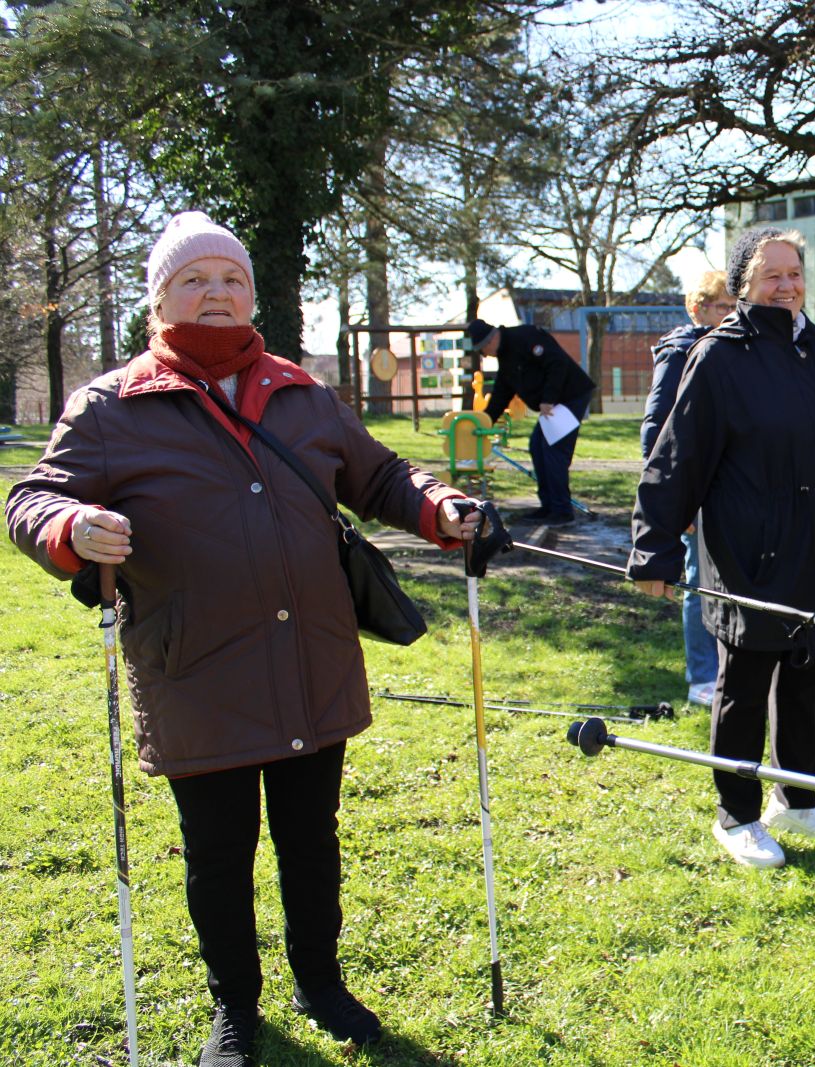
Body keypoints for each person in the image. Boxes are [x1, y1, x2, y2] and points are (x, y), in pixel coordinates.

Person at [5, 213, 483, 1067]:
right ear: (161, 298)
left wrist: (438, 506)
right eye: (195, 280)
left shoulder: (302, 391)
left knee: (312, 837)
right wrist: (73, 525)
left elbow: (379, 475)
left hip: (312, 658)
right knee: (218, 855)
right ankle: (236, 1007)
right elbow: (31, 498)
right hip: (196, 671)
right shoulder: (112, 407)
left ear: (251, 295)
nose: (215, 293)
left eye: (230, 279)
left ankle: (322, 982)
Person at [628, 227, 815, 869]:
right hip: (750, 551)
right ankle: (735, 813)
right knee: (744, 681)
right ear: (743, 287)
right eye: (772, 276)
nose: (787, 286)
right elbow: (676, 456)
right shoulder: (720, 355)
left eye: (795, 274)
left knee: (806, 669)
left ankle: (798, 798)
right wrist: (652, 548)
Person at [641, 271, 736, 707]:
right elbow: (656, 429)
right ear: (696, 309)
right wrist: (674, 502)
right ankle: (701, 675)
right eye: (721, 308)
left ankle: (728, 667)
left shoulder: (733, 350)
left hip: (727, 487)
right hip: (694, 490)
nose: (730, 315)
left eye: (734, 307)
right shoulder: (681, 351)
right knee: (698, 579)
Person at [469, 316, 597, 525]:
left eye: (482, 351)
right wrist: (484, 421)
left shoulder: (525, 336)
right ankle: (548, 506)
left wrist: (548, 398)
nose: (484, 355)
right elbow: (502, 392)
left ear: (489, 341)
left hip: (570, 396)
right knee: (537, 446)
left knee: (552, 450)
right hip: (554, 404)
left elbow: (557, 363)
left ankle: (562, 510)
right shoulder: (506, 358)